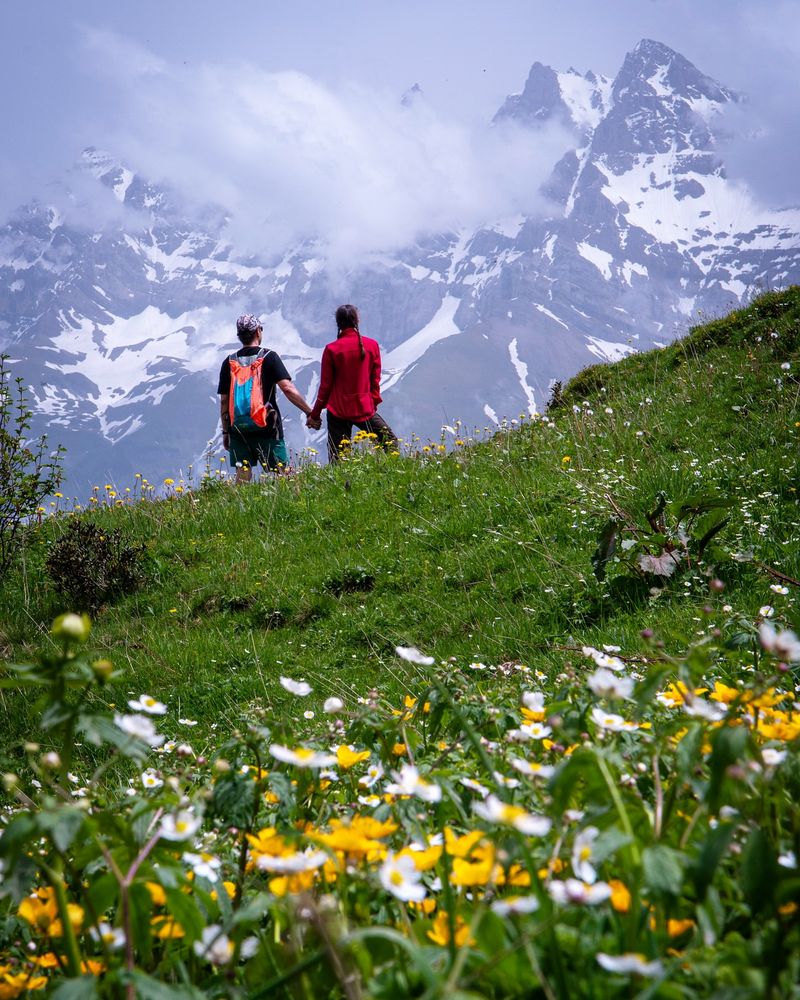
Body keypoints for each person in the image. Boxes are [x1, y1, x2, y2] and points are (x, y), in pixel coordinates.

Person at [218, 314, 320, 482]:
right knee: (283, 473)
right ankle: (290, 503)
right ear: (258, 331)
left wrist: (226, 431)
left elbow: (224, 401)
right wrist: (310, 412)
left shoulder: (228, 362)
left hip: (238, 429)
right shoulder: (269, 357)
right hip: (267, 425)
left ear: (239, 336)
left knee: (242, 474)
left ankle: (242, 506)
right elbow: (287, 389)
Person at [306, 304, 398, 463]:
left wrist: (314, 415)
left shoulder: (331, 349)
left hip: (338, 410)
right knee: (390, 443)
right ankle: (386, 474)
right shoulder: (372, 345)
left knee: (338, 458)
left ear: (337, 323)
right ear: (357, 320)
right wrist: (373, 402)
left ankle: (342, 486)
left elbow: (325, 387)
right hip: (364, 407)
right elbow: (374, 381)